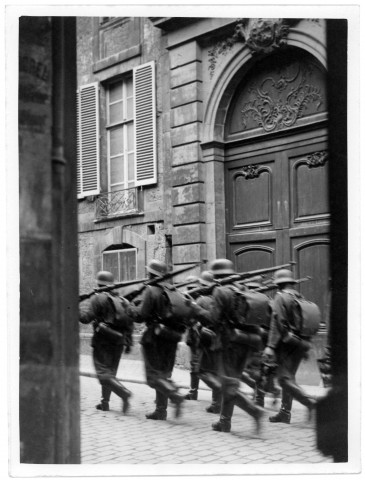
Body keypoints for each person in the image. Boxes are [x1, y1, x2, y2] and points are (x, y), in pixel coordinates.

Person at [207, 259, 264, 434]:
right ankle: (224, 422)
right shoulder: (242, 289)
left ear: (217, 275)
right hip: (245, 341)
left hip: (227, 342)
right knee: (232, 381)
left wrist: (195, 309)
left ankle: (254, 410)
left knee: (227, 383)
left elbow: (213, 319)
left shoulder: (220, 291)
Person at [131, 260, 186, 420]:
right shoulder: (173, 291)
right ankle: (161, 410)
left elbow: (141, 316)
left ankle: (175, 396)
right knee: (163, 374)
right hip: (171, 337)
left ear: (150, 273)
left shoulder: (151, 290)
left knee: (154, 376)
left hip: (154, 338)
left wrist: (130, 308)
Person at [263, 269, 317, 424]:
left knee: (283, 379)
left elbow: (277, 322)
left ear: (279, 283)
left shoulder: (280, 297)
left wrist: (271, 346)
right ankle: (285, 413)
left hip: (286, 344)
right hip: (301, 344)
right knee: (289, 378)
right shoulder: (299, 296)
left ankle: (310, 403)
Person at [79, 271, 133, 413]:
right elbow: (129, 324)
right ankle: (105, 403)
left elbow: (86, 318)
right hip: (119, 341)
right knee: (110, 372)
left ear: (99, 283)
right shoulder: (122, 300)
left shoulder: (99, 298)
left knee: (103, 373)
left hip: (102, 340)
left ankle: (124, 393)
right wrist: (128, 342)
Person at [186, 271, 223, 414]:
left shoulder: (201, 300)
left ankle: (195, 392)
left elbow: (191, 319)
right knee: (214, 371)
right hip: (215, 338)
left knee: (198, 368)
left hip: (201, 338)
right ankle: (215, 403)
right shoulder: (216, 299)